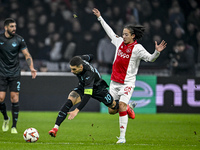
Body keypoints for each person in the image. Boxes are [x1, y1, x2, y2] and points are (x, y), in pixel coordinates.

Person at [93, 8, 167, 144]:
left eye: (126, 34)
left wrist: (156, 52)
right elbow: (109, 32)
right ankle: (129, 108)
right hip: (114, 83)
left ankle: (122, 137)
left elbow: (150, 59)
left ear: (133, 36)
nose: (124, 36)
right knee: (111, 110)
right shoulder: (119, 42)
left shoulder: (137, 49)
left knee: (120, 105)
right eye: (123, 34)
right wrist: (100, 18)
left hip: (127, 83)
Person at [48, 54, 137, 138]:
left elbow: (88, 95)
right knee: (69, 101)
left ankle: (128, 107)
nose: (72, 71)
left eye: (74, 69)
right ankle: (55, 128)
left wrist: (76, 110)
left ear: (81, 67)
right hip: (83, 86)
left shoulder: (88, 74)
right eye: (71, 69)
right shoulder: (81, 59)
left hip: (99, 89)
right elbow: (91, 56)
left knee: (112, 109)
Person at [0, 18, 37, 134]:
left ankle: (14, 126)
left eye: (15, 26)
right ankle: (6, 118)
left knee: (14, 98)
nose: (14, 28)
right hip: (1, 72)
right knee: (0, 98)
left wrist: (31, 68)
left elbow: (27, 54)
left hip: (15, 72)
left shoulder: (19, 39)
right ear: (5, 27)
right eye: (11, 26)